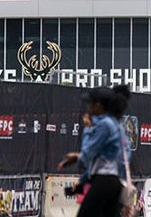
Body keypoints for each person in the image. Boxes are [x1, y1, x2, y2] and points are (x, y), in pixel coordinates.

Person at [58, 85, 133, 217]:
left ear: (98, 106)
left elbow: (88, 154)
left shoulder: (104, 125)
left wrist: (87, 129)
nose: (88, 107)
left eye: (90, 103)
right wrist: (83, 180)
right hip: (112, 182)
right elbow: (107, 159)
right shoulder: (116, 125)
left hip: (104, 182)